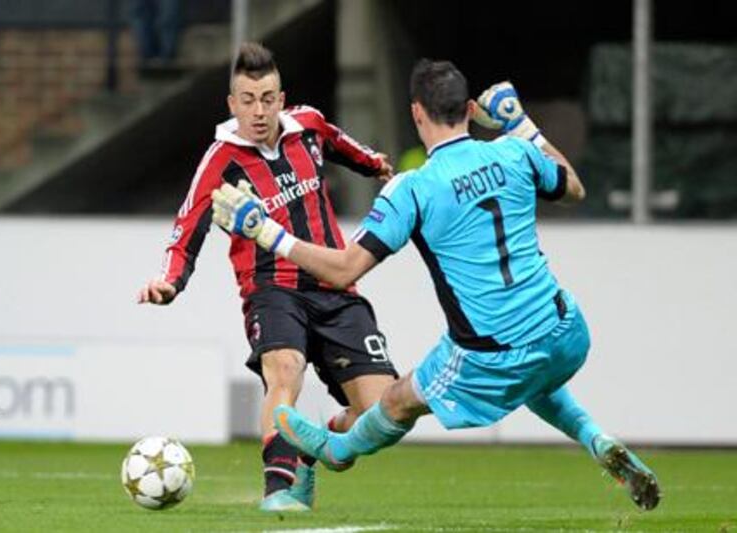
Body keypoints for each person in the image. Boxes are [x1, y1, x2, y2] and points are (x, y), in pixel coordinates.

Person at [210, 59, 662, 511]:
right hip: (566, 329)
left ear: (416, 114)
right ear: (469, 108)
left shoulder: (414, 187)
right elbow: (575, 187)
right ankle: (597, 438)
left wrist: (267, 233)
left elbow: (344, 270)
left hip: (489, 353)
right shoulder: (516, 151)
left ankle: (331, 449)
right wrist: (522, 123)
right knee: (534, 373)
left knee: (397, 401)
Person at [137, 42, 398, 512]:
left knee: (380, 414)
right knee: (284, 371)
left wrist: (374, 164)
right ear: (232, 104)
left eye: (268, 98)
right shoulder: (220, 161)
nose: (259, 111)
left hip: (336, 288)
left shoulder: (309, 126)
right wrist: (169, 281)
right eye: (248, 100)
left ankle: (315, 446)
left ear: (282, 98)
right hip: (272, 290)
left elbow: (343, 145)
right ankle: (278, 489)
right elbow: (186, 229)